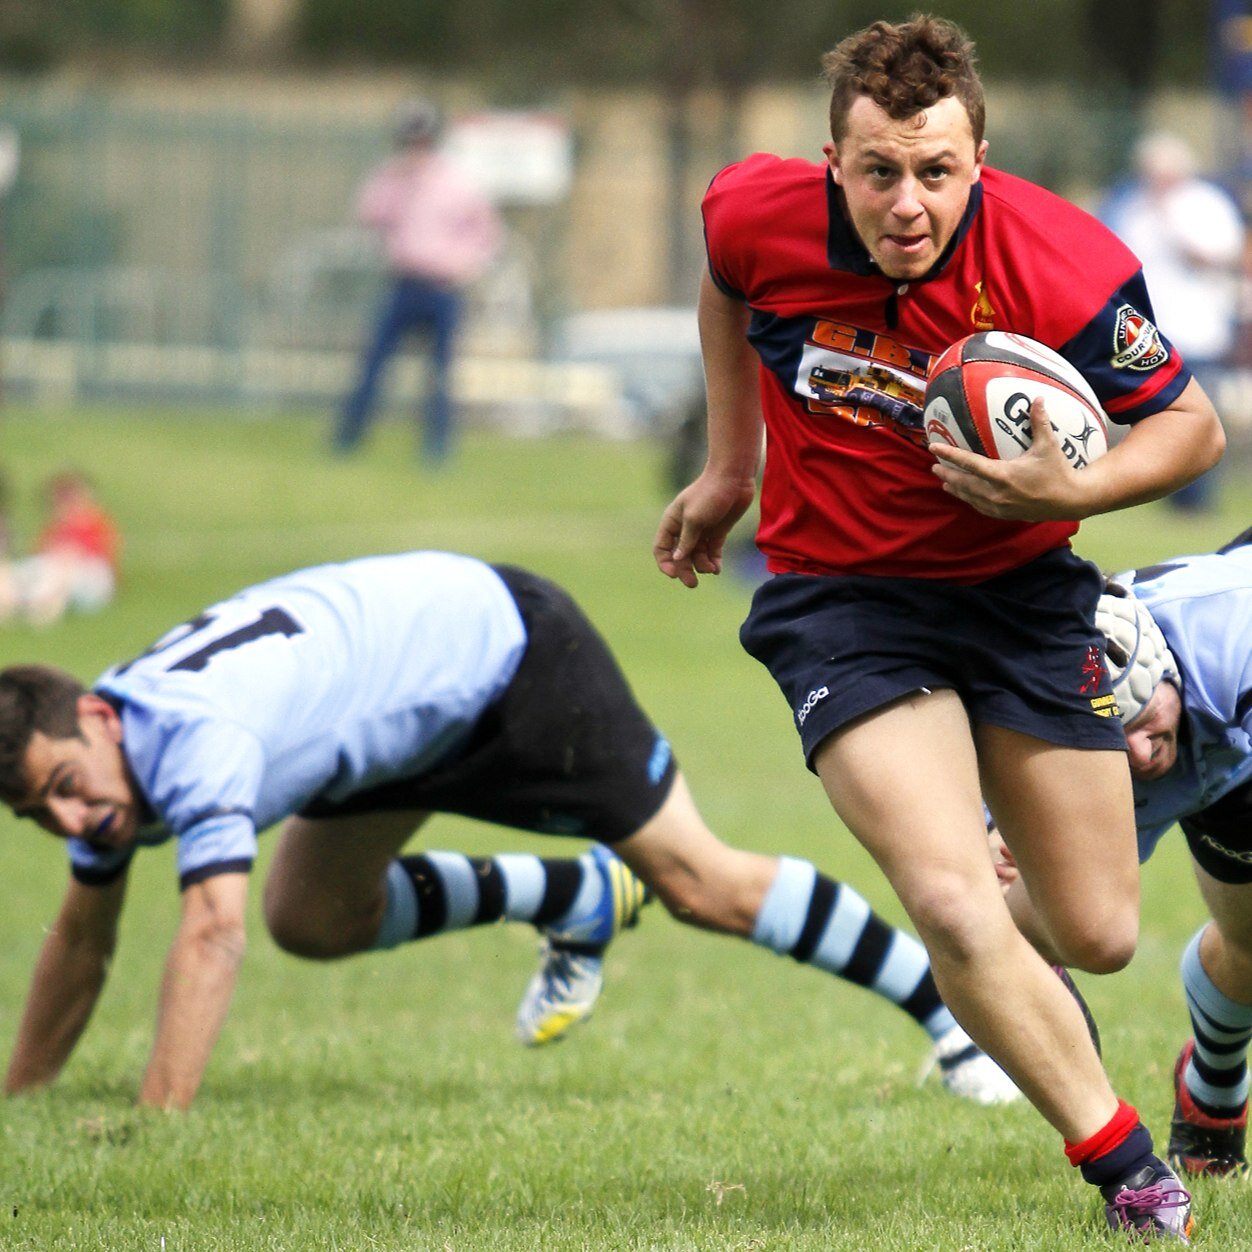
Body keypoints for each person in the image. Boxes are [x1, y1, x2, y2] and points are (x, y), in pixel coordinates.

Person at [653, 15, 1224, 1243]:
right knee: (952, 902)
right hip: (841, 601)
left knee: (1098, 932)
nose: (905, 203)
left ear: (978, 160)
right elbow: (724, 283)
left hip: (1023, 595)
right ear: (831, 161)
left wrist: (1071, 489)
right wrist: (729, 465)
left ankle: (1003, 949)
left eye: (933, 171)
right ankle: (1129, 1173)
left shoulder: (1061, 262)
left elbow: (1192, 428)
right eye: (876, 171)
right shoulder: (756, 215)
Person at [0, 550, 1018, 1112]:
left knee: (698, 882)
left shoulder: (189, 739)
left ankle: (949, 1014)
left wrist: (158, 1122)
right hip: (394, 717)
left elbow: (209, 931)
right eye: (41, 811)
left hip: (510, 657)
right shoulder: (111, 753)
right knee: (310, 917)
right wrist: (24, 1100)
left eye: (66, 787)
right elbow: (82, 940)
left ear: (94, 714)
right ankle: (576, 897)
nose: (73, 819)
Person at [332, 100, 502, 464]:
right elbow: (369, 215)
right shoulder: (391, 177)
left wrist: (464, 264)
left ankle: (436, 447)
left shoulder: (457, 182)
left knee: (441, 373)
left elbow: (485, 233)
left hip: (442, 288)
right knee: (374, 363)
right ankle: (348, 438)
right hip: (403, 284)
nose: (414, 148)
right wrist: (397, 181)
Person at [1100, 132, 1246, 514]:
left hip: (1199, 329)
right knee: (1156, 415)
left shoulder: (1205, 203)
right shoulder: (1132, 205)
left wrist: (1173, 224)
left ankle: (1198, 498)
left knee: (1199, 414)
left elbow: (1223, 256)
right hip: (1147, 332)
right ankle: (1163, 493)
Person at [0, 469, 120, 627]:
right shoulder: (54, 528)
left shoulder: (95, 523)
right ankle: (11, 605)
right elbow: (40, 556)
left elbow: (94, 557)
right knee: (12, 570)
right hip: (55, 572)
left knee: (60, 568)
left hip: (87, 579)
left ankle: (40, 609)